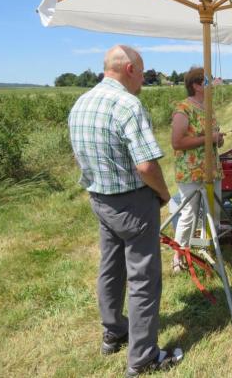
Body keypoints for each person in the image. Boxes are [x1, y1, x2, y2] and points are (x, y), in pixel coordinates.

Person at [68, 45, 182, 376]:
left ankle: (113, 330)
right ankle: (144, 357)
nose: (144, 80)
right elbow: (146, 166)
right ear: (130, 69)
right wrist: (162, 194)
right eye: (143, 72)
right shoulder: (128, 106)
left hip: (100, 199)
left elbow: (80, 155)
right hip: (132, 201)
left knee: (110, 266)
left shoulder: (81, 103)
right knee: (143, 277)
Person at [170, 67, 225, 273]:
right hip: (191, 170)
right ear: (196, 85)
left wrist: (218, 139)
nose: (211, 85)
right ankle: (178, 256)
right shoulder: (183, 109)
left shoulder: (208, 108)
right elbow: (177, 142)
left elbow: (213, 138)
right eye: (207, 82)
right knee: (190, 214)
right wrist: (208, 138)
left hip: (211, 169)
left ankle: (206, 249)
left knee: (212, 212)